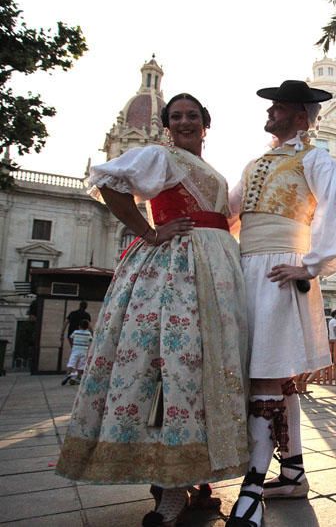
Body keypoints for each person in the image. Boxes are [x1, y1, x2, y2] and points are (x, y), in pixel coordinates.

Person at [56, 93, 250, 527]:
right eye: (176, 116)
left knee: (205, 374)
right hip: (174, 273)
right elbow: (107, 181)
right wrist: (149, 231)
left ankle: (200, 479)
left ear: (206, 124)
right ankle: (169, 489)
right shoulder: (160, 157)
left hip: (217, 277)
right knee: (170, 367)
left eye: (192, 115)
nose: (184, 121)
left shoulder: (211, 171)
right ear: (166, 125)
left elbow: (226, 219)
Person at [226, 80, 336, 527]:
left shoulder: (315, 157)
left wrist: (310, 265)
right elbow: (226, 216)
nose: (271, 112)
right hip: (247, 270)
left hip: (281, 271)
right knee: (274, 376)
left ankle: (251, 490)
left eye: (279, 107)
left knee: (266, 374)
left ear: (300, 117)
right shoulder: (256, 162)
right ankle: (294, 473)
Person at [63, 319, 92, 385]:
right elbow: (91, 340)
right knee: (81, 365)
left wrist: (74, 343)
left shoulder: (75, 332)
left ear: (79, 326)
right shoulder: (88, 333)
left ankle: (68, 374)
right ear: (87, 327)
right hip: (84, 351)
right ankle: (78, 377)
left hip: (75, 350)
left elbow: (71, 337)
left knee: (71, 362)